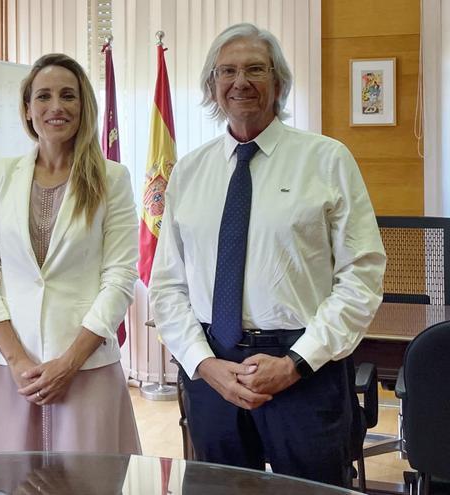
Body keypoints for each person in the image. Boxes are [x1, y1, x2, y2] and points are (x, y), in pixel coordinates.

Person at [148, 23, 386, 487]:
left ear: (278, 82)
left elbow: (362, 274)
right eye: (228, 71)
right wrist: (203, 363)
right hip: (213, 366)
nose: (241, 82)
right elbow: (168, 284)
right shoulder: (190, 172)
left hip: (304, 367)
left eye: (256, 69)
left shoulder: (327, 160)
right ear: (212, 87)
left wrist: (297, 362)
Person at [0, 53, 141, 454]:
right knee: (10, 481)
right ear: (28, 109)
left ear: (84, 106)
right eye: (43, 96)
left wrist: (68, 363)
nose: (56, 107)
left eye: (68, 96)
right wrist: (16, 360)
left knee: (88, 482)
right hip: (13, 369)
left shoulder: (112, 178)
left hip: (86, 366)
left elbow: (119, 277)